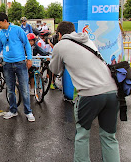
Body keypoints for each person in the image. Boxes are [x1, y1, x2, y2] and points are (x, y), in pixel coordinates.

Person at [49, 21, 120, 162]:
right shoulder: (87, 40)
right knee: (109, 136)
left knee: (82, 135)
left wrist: (54, 49)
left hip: (90, 94)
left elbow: (55, 69)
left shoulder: (60, 45)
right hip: (112, 91)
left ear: (59, 34)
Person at [0, 13, 35, 121]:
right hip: (7, 65)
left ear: (5, 21)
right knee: (10, 90)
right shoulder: (0, 34)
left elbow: (27, 44)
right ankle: (13, 110)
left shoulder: (17, 29)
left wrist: (29, 59)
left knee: (24, 89)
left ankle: (28, 112)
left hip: (20, 64)